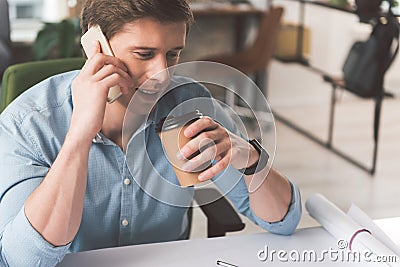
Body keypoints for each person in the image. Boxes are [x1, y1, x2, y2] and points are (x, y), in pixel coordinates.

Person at [0, 0, 302, 266]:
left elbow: (282, 221)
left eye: (172, 55)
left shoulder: (189, 104)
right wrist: (79, 135)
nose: (162, 75)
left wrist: (248, 157)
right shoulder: (29, 124)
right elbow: (22, 259)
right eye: (144, 54)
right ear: (96, 43)